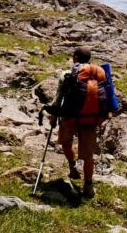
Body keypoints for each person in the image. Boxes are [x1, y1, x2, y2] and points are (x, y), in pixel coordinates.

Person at [44, 47, 118, 198]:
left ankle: (72, 166)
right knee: (88, 154)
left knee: (66, 142)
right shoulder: (100, 74)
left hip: (70, 117)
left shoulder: (67, 74)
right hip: (92, 119)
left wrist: (53, 115)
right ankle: (88, 185)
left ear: (76, 57)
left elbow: (59, 97)